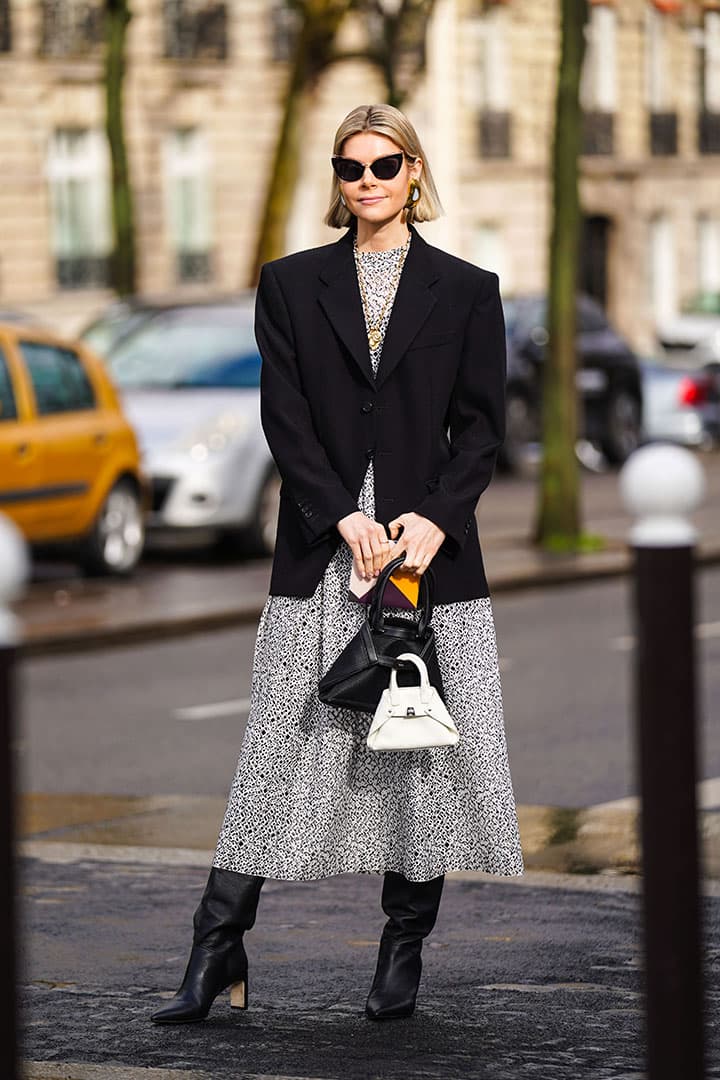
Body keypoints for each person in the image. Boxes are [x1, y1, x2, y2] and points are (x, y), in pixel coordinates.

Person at [150, 102, 524, 1027]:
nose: (367, 182)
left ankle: (403, 951)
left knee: (419, 755)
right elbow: (286, 417)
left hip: (426, 558)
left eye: (384, 166)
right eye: (350, 167)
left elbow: (480, 431)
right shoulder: (288, 283)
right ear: (337, 179)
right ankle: (216, 948)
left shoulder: (469, 290)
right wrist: (338, 515)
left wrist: (436, 519)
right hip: (322, 548)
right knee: (274, 748)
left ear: (415, 175)